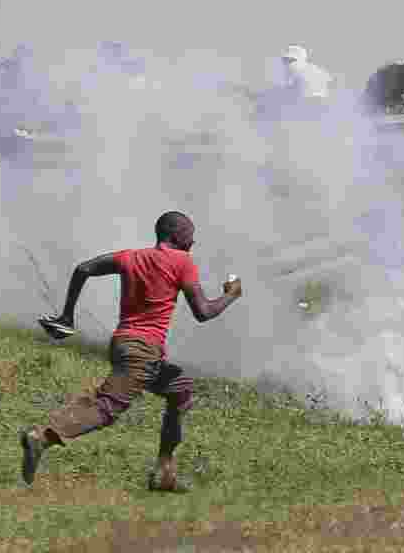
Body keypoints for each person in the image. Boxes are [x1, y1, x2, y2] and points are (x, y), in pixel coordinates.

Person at [19, 211, 244, 492]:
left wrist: (67, 316)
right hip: (142, 352)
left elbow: (83, 269)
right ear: (174, 235)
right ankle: (42, 437)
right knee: (106, 407)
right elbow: (204, 312)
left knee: (180, 390)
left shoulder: (131, 257)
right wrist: (231, 295)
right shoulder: (182, 261)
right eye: (190, 234)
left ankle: (165, 473)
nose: (193, 240)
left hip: (125, 344)